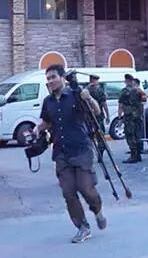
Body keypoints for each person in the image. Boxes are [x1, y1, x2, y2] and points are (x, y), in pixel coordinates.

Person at [32, 64, 108, 242]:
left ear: (62, 78)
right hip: (61, 152)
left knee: (86, 189)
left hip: (81, 149)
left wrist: (88, 98)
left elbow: (96, 111)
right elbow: (47, 121)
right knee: (68, 192)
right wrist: (37, 128)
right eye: (48, 78)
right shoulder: (48, 101)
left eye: (53, 77)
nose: (50, 81)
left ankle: (97, 210)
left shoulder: (76, 95)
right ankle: (83, 227)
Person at [118, 73, 146, 163]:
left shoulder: (124, 91)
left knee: (130, 135)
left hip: (129, 117)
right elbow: (144, 100)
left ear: (126, 81)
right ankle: (138, 155)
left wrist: (119, 118)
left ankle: (133, 155)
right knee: (137, 135)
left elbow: (121, 105)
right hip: (138, 116)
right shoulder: (138, 90)